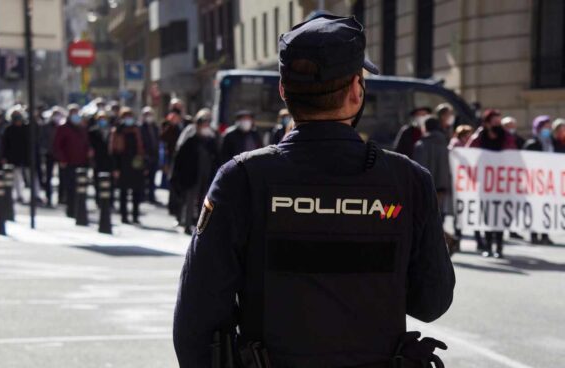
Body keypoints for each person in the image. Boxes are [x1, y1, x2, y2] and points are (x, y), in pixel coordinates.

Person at [174, 14, 454, 368]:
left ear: (283, 90)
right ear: (356, 90)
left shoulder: (242, 178)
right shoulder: (409, 180)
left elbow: (196, 321)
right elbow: (432, 302)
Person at [466, 109, 516, 257]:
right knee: (487, 214)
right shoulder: (480, 136)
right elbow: (469, 151)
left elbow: (512, 152)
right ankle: (488, 246)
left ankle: (499, 247)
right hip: (485, 182)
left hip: (501, 182)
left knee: (499, 215)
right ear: (487, 122)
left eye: (499, 121)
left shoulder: (506, 136)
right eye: (494, 121)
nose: (497, 123)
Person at [170, 108, 219, 234]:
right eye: (203, 122)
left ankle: (200, 225)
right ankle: (187, 224)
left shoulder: (212, 140)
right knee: (190, 200)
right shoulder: (191, 139)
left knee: (205, 202)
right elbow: (180, 158)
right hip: (192, 176)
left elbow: (217, 157)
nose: (205, 125)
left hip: (207, 176)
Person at [110, 107, 146, 224]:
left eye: (130, 116)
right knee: (123, 192)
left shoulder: (137, 130)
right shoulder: (117, 131)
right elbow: (113, 151)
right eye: (126, 116)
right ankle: (124, 216)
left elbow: (142, 148)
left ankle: (135, 215)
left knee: (136, 191)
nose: (128, 119)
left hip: (136, 164)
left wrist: (144, 165)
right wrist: (115, 168)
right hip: (123, 164)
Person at [53, 104, 90, 217]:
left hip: (82, 161)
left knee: (81, 187)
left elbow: (86, 143)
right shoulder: (63, 128)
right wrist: (62, 159)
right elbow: (57, 146)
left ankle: (80, 209)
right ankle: (71, 210)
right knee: (71, 187)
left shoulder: (81, 128)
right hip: (68, 162)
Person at [523, 115, 555, 245]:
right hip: (535, 183)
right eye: (545, 126)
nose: (547, 129)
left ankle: (545, 234)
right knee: (535, 208)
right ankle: (534, 234)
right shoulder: (532, 144)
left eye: (549, 126)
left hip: (549, 182)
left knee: (546, 209)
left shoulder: (551, 142)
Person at [2, 107, 31, 204]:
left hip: (26, 156)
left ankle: (35, 195)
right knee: (17, 177)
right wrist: (4, 157)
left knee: (31, 176)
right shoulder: (9, 129)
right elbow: (5, 144)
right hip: (13, 157)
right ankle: (19, 195)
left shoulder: (26, 128)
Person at [88, 110, 114, 206]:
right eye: (100, 119)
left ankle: (110, 201)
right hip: (97, 160)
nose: (102, 120)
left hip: (109, 160)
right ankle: (98, 200)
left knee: (110, 182)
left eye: (104, 118)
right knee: (97, 181)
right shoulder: (92, 131)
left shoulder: (112, 131)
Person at [39, 106, 64, 207]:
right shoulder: (46, 126)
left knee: (62, 177)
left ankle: (61, 198)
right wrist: (46, 149)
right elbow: (42, 140)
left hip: (60, 155)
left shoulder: (63, 126)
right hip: (49, 154)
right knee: (48, 176)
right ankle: (48, 197)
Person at [139, 106, 160, 204]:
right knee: (143, 178)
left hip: (154, 156)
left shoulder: (155, 127)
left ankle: (151, 196)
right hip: (145, 156)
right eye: (147, 115)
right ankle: (142, 196)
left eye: (150, 114)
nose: (149, 117)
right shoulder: (140, 128)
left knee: (152, 177)